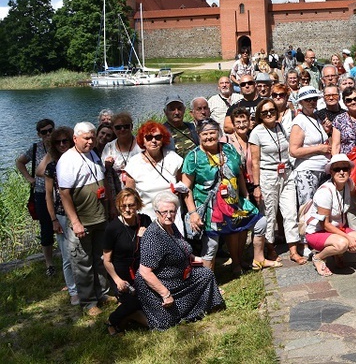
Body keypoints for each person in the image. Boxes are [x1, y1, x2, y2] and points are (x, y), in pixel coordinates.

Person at [183, 119, 273, 273]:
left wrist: (245, 195)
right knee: (211, 245)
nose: (209, 137)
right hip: (211, 208)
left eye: (212, 132)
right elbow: (185, 188)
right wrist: (192, 213)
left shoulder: (229, 149)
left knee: (260, 222)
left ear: (219, 133)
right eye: (205, 134)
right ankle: (208, 284)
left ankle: (255, 259)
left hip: (234, 202)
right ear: (199, 135)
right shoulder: (194, 157)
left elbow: (239, 175)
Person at [135, 192, 225, 330]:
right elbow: (145, 272)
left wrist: (203, 260)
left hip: (179, 278)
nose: (169, 215)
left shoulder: (171, 226)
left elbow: (183, 251)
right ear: (157, 213)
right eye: (164, 212)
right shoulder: (153, 236)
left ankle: (196, 309)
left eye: (172, 211)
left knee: (206, 275)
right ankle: (135, 314)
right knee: (165, 325)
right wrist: (166, 294)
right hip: (158, 284)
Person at [56, 121, 112, 316]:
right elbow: (64, 194)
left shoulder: (93, 153)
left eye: (92, 137)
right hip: (83, 221)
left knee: (100, 258)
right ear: (75, 139)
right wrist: (75, 222)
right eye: (86, 138)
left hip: (99, 218)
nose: (90, 141)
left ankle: (102, 294)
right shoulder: (67, 160)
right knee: (82, 262)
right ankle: (88, 302)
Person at [250, 99, 305, 265]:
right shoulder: (257, 132)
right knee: (269, 214)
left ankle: (293, 250)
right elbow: (254, 161)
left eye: (272, 110)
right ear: (260, 115)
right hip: (268, 175)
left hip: (286, 174)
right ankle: (270, 248)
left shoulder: (280, 127)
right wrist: (257, 186)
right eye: (265, 112)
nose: (269, 114)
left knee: (290, 212)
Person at [305, 154, 356, 276]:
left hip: (339, 227)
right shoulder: (325, 192)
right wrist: (348, 238)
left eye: (345, 169)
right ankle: (318, 257)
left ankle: (336, 254)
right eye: (336, 169)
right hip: (318, 231)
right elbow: (325, 225)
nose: (341, 172)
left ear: (350, 171)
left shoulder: (348, 184)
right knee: (342, 244)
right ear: (331, 172)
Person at [103, 188, 151, 335]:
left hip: (142, 272)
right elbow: (106, 260)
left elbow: (153, 247)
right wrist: (117, 280)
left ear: (138, 205)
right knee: (135, 302)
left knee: (147, 298)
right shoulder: (113, 228)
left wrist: (144, 238)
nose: (128, 210)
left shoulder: (145, 221)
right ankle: (112, 321)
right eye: (124, 206)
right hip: (121, 275)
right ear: (118, 206)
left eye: (131, 205)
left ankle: (130, 315)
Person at [40, 126, 78, 305]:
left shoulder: (80, 160)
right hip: (62, 215)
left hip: (82, 212)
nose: (62, 144)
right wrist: (53, 219)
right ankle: (73, 291)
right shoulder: (52, 166)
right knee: (67, 255)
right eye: (58, 142)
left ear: (72, 141)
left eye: (66, 140)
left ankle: (88, 285)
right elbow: (48, 195)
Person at [123, 121, 185, 233]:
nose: (153, 141)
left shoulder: (173, 158)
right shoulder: (134, 163)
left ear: (163, 139)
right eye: (149, 137)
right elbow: (129, 195)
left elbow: (183, 185)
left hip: (172, 216)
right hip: (147, 217)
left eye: (158, 137)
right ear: (143, 140)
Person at [16, 118, 56, 276]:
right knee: (46, 228)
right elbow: (20, 162)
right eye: (44, 132)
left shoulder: (61, 144)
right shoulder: (35, 149)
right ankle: (49, 263)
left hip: (60, 193)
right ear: (39, 134)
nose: (48, 134)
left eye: (50, 130)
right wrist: (29, 178)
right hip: (41, 193)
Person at [102, 112, 140, 201]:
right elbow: (103, 172)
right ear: (113, 129)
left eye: (126, 126)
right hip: (117, 191)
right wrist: (106, 165)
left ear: (132, 127)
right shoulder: (109, 147)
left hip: (139, 189)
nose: (122, 129)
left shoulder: (141, 144)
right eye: (118, 127)